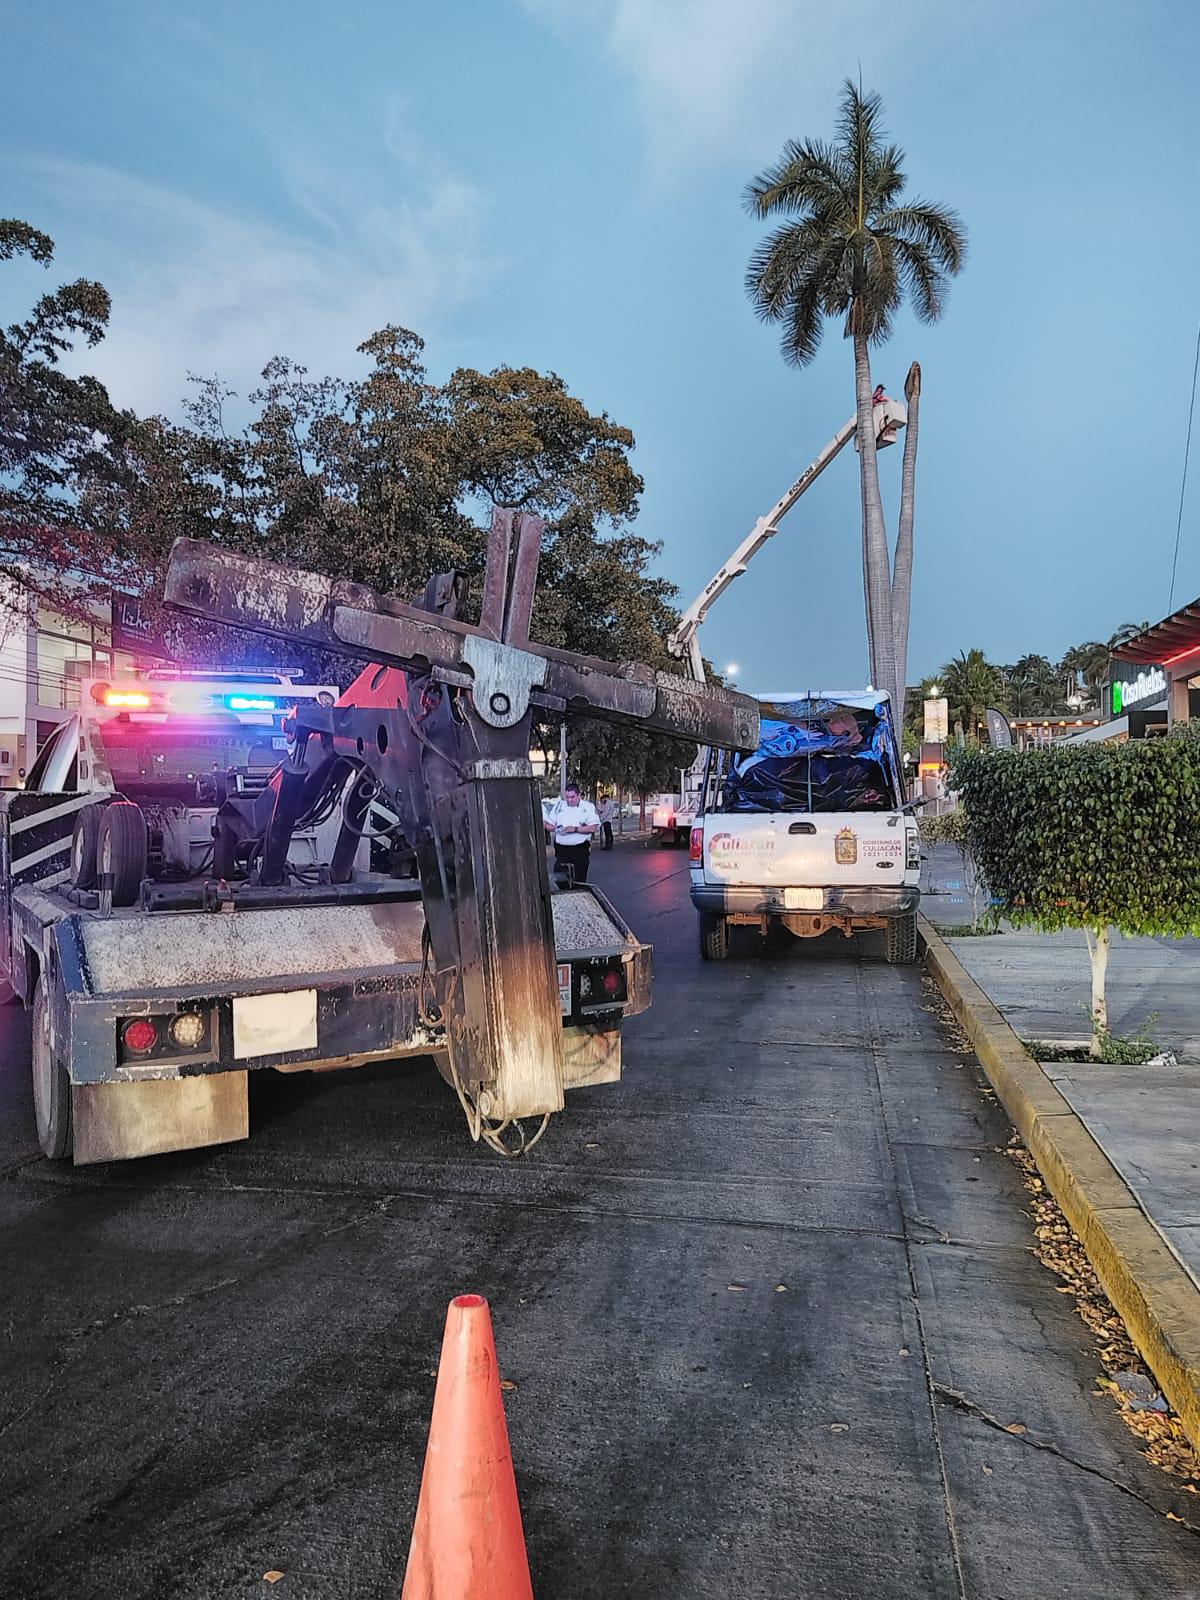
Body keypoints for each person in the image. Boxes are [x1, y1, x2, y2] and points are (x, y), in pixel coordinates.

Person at [546, 783, 600, 883]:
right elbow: (548, 825)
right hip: (561, 850)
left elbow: (593, 828)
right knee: (559, 879)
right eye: (567, 797)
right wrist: (557, 828)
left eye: (572, 797)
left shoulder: (588, 807)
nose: (570, 800)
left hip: (579, 850)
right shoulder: (559, 806)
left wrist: (575, 829)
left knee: (578, 880)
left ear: (578, 795)